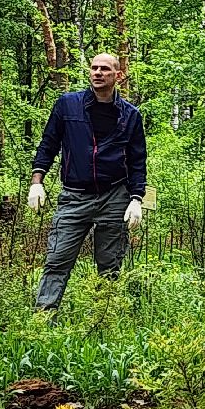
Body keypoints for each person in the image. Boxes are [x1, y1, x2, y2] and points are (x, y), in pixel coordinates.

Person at [29, 53, 148, 311]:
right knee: (57, 259)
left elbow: (137, 162)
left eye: (104, 69)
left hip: (114, 196)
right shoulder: (67, 105)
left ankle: (103, 318)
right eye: (94, 68)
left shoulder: (130, 116)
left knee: (110, 263)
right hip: (74, 195)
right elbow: (48, 144)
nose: (97, 73)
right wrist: (37, 180)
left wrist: (136, 199)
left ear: (118, 76)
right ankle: (43, 320)